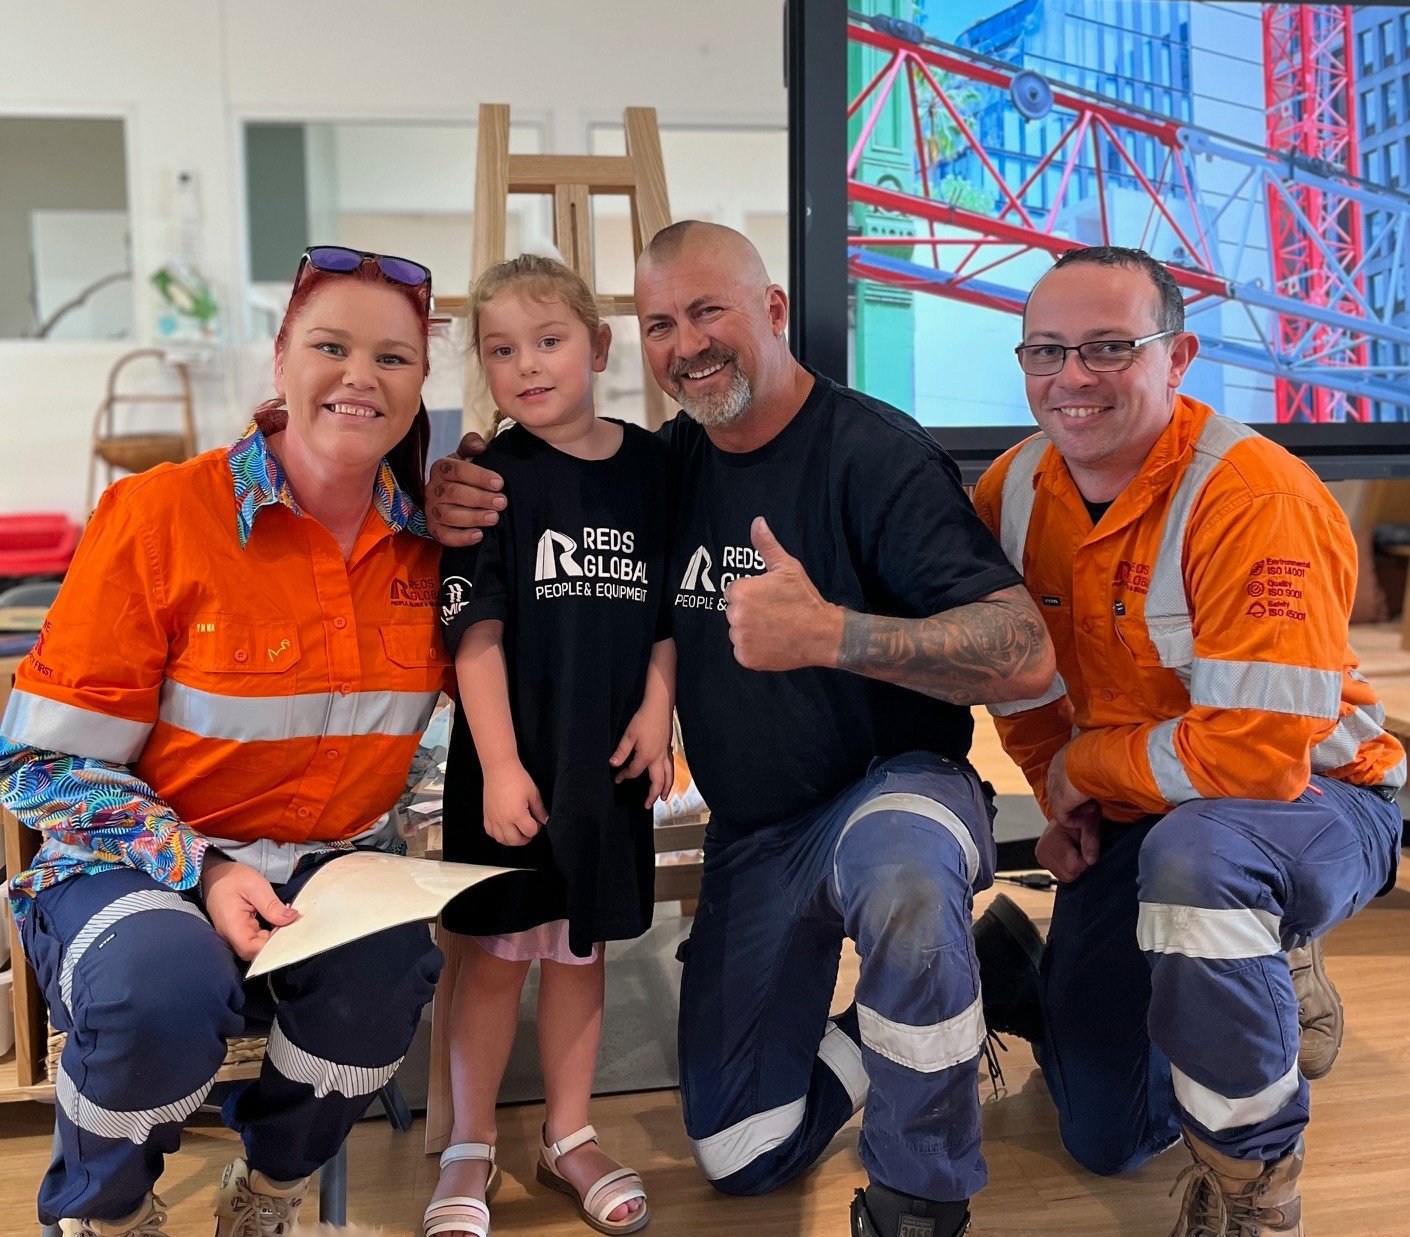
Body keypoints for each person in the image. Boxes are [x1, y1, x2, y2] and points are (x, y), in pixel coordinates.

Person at [426, 221, 1057, 1237]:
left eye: (710, 309)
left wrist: (834, 634)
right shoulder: (670, 464)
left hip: (890, 793)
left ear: (772, 311)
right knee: (740, 1149)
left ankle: (921, 1194)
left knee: (899, 876)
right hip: (759, 834)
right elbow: (574, 513)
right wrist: (459, 476)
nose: (687, 343)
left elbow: (1026, 653)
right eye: (664, 323)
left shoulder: (874, 454)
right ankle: (976, 970)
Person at [0, 245, 451, 1235]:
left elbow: (447, 736)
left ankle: (272, 1190)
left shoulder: (432, 548)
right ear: (281, 361)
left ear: (422, 385)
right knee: (160, 983)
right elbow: (34, 765)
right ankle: (107, 1212)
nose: (360, 377)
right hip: (132, 870)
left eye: (395, 357)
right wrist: (201, 868)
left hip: (323, 873)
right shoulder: (160, 517)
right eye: (331, 345)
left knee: (390, 971)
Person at [969, 245, 1405, 1235]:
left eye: (1110, 347)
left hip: (1313, 804)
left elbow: (1255, 761)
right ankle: (1183, 975)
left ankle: (1255, 1186)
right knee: (1107, 1136)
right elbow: (1024, 675)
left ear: (1180, 357)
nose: (1073, 377)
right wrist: (1059, 790)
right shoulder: (1014, 489)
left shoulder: (1258, 502)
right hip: (1140, 818)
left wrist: (1079, 770)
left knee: (1203, 863)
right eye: (1046, 351)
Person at [426, 254, 672, 1237]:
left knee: (580, 952)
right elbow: (473, 634)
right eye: (501, 349)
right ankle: (468, 1145)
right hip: (511, 768)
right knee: (489, 959)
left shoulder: (658, 468)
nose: (527, 364)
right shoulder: (488, 478)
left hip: (605, 767)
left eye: (549, 339)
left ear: (599, 346)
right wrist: (498, 765)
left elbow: (668, 614)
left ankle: (569, 1133)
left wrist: (661, 712)